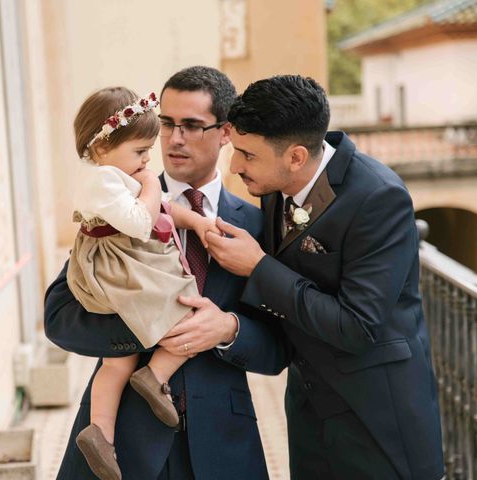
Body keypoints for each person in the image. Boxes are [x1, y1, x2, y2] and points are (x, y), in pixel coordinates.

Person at [44, 66, 289, 480]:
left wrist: (228, 329)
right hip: (122, 441)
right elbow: (59, 317)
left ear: (225, 132)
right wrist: (147, 327)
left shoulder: (258, 223)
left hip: (222, 446)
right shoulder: (116, 205)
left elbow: (279, 347)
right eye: (168, 124)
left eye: (192, 126)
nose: (174, 139)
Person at [206, 75, 445, 479]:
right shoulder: (273, 186)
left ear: (296, 157)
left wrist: (259, 267)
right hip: (309, 413)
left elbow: (357, 326)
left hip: (377, 420)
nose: (234, 166)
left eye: (247, 155)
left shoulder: (379, 197)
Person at [67, 87, 224, 480]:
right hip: (120, 268)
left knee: (115, 363)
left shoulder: (113, 175)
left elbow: (166, 211)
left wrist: (199, 223)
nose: (146, 161)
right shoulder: (104, 180)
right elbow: (142, 221)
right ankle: (154, 376)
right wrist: (153, 185)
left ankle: (100, 433)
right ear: (102, 146)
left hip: (119, 266)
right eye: (140, 151)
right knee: (188, 307)